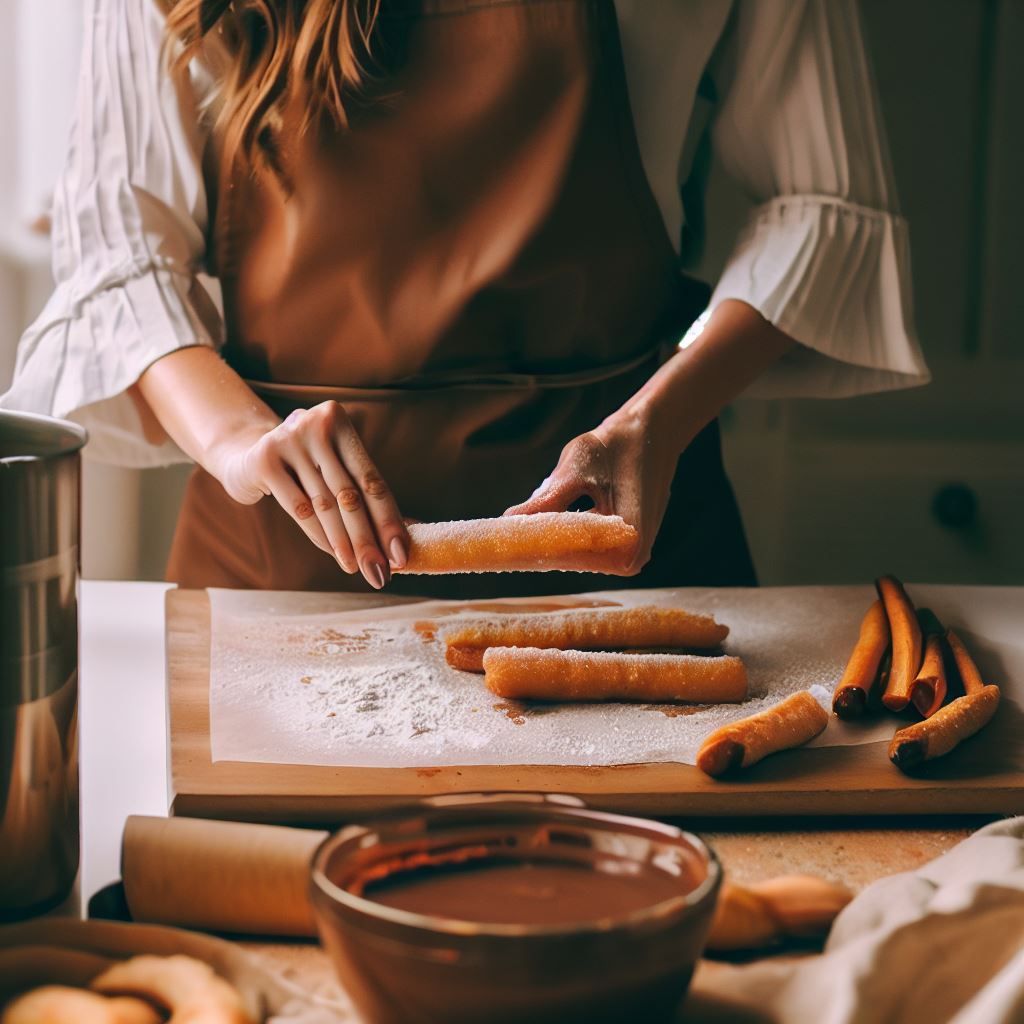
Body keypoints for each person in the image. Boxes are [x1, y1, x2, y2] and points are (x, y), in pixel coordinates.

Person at [1, 0, 928, 597]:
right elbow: (121, 254)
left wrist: (654, 421)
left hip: (629, 569)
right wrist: (242, 442)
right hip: (282, 580)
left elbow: (825, 207)